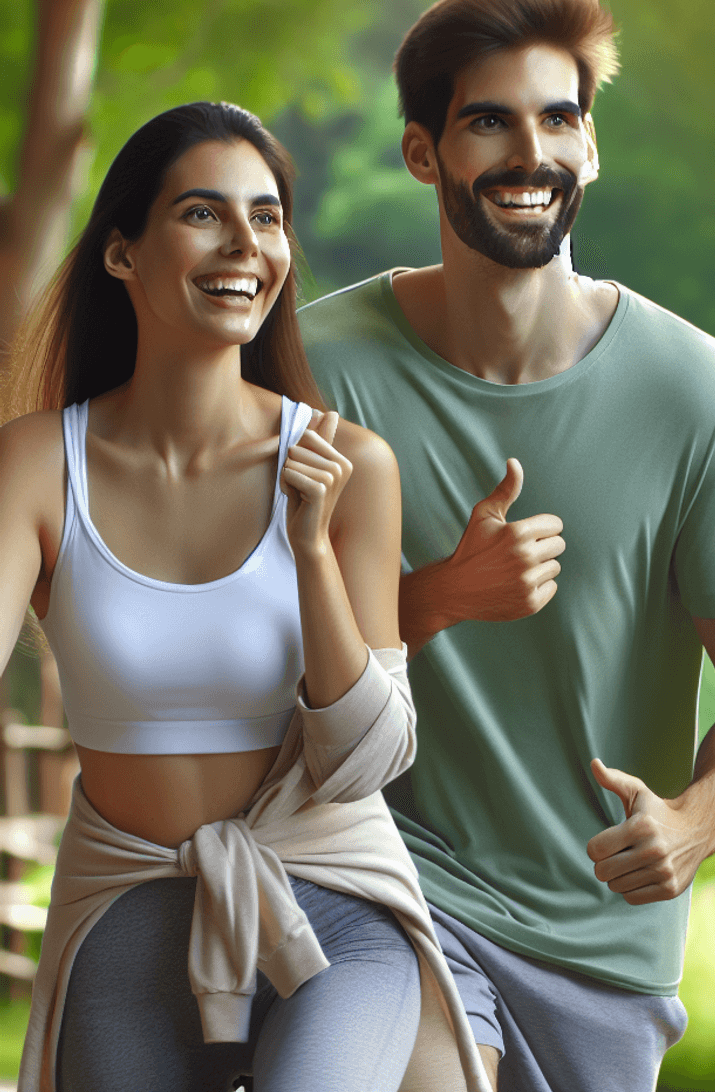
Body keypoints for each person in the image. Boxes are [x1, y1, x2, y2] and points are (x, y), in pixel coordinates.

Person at [299, 0, 715, 1092]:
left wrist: (697, 822)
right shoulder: (315, 373)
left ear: (592, 146)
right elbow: (256, 650)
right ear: (424, 153)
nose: (532, 153)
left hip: (604, 944)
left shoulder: (700, 393)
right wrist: (436, 596)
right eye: (489, 121)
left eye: (560, 118)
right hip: (388, 878)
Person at [5, 102, 490, 1092]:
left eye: (267, 217)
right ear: (120, 254)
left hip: (332, 902)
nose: (246, 245)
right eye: (202, 213)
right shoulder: (35, 466)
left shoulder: (351, 463)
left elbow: (368, 754)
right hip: (127, 901)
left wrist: (309, 549)